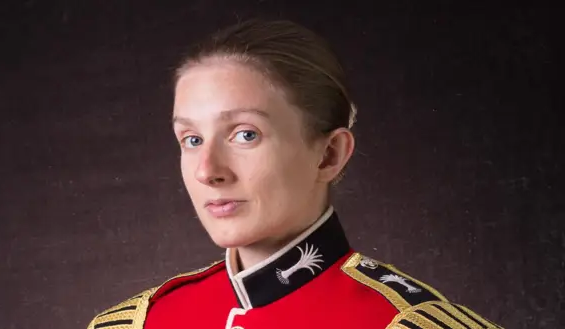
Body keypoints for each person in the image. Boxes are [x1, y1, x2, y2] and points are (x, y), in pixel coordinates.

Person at [87, 19, 502, 329]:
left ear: (329, 155)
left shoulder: (404, 321)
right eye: (191, 139)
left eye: (245, 134)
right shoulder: (143, 321)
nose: (207, 170)